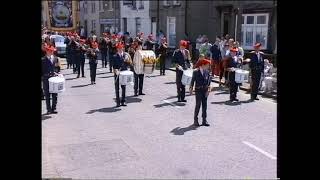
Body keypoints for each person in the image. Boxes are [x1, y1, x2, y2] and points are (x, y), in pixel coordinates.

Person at [189, 58, 212, 127]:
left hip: (205, 90)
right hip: (198, 90)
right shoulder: (196, 71)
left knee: (204, 106)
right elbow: (192, 81)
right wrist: (191, 89)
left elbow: (209, 82)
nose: (208, 67)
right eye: (207, 65)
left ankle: (204, 120)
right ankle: (195, 120)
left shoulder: (207, 72)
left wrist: (209, 90)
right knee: (198, 105)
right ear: (203, 65)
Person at [112, 42, 133, 107]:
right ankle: (118, 102)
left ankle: (123, 101)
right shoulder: (114, 56)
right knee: (117, 88)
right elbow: (114, 66)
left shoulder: (126, 55)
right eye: (119, 48)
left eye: (121, 48)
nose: (120, 49)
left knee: (123, 88)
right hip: (118, 73)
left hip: (124, 73)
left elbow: (130, 64)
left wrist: (127, 61)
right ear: (117, 49)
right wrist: (116, 71)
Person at [42, 45, 60, 114]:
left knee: (55, 94)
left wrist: (58, 73)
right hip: (46, 78)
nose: (51, 52)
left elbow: (58, 68)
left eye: (52, 50)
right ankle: (48, 109)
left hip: (54, 78)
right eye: (50, 50)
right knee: (47, 94)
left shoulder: (56, 58)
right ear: (46, 51)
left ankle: (53, 108)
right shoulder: (43, 59)